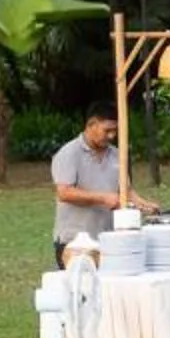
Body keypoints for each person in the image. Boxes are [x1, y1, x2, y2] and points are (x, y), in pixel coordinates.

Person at [51, 104, 153, 265]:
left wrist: (145, 205)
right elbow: (64, 193)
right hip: (74, 242)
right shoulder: (68, 154)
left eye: (115, 131)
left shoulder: (117, 155)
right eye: (107, 131)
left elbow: (126, 191)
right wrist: (103, 198)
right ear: (91, 125)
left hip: (110, 240)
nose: (112, 136)